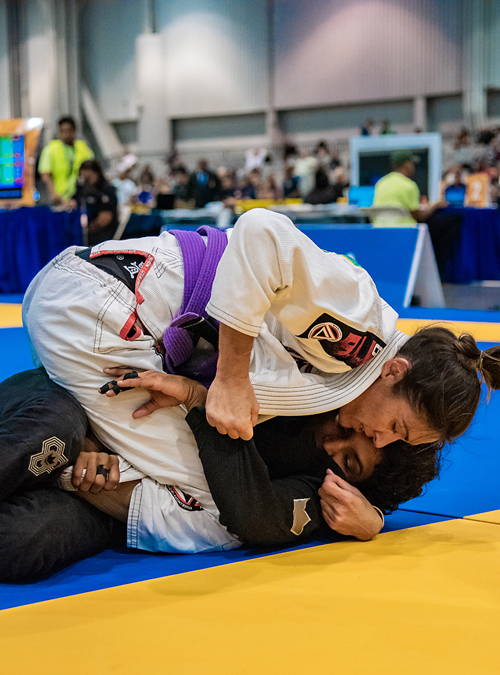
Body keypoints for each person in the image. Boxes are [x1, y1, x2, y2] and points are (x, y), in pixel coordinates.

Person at [22, 210, 500, 471]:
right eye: (397, 425)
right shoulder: (361, 335)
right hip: (104, 307)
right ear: (396, 371)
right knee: (206, 504)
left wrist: (204, 392)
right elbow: (260, 230)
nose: (381, 439)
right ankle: (66, 476)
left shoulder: (348, 375)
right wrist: (230, 378)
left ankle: (79, 450)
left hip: (97, 300)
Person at [0, 367, 441, 581]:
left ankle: (53, 470)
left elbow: (259, 517)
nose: (333, 443)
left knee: (25, 541)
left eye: (349, 461)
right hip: (87, 408)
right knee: (49, 436)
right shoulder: (311, 377)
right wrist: (94, 442)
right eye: (350, 429)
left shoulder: (321, 486)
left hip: (106, 499)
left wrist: (376, 515)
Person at [373, 150, 448, 224]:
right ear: (407, 164)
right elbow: (418, 217)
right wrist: (435, 206)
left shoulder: (381, 183)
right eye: (412, 163)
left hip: (380, 231)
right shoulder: (409, 185)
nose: (413, 167)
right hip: (406, 232)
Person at [38, 116, 94, 205]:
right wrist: (54, 195)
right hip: (59, 198)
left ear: (74, 130)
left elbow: (92, 171)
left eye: (69, 130)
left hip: (81, 197)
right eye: (63, 131)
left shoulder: (83, 148)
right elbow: (46, 175)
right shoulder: (50, 149)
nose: (66, 134)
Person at [69, 160, 119, 246]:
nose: (86, 181)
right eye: (83, 177)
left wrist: (88, 229)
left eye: (88, 177)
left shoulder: (106, 190)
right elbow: (73, 202)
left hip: (101, 234)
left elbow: (105, 219)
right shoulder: (82, 189)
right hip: (82, 231)